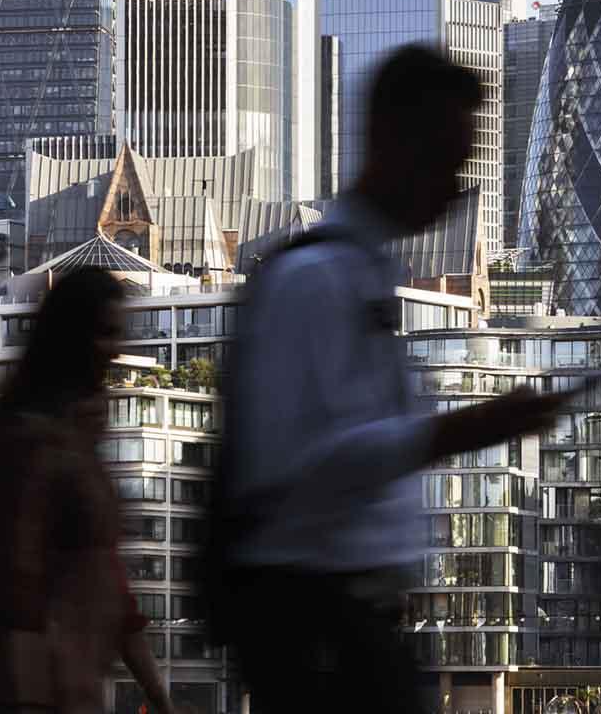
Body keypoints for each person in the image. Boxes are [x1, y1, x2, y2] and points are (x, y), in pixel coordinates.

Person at [215, 44, 572, 712]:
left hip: (359, 624)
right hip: (318, 632)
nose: (451, 189)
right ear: (391, 140)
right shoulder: (314, 280)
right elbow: (299, 465)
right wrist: (470, 428)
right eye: (444, 161)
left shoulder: (365, 275)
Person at [0, 268, 180, 714]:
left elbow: (113, 589)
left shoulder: (71, 437)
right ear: (71, 337)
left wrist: (160, 699)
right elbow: (20, 591)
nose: (117, 348)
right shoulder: (35, 444)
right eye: (106, 332)